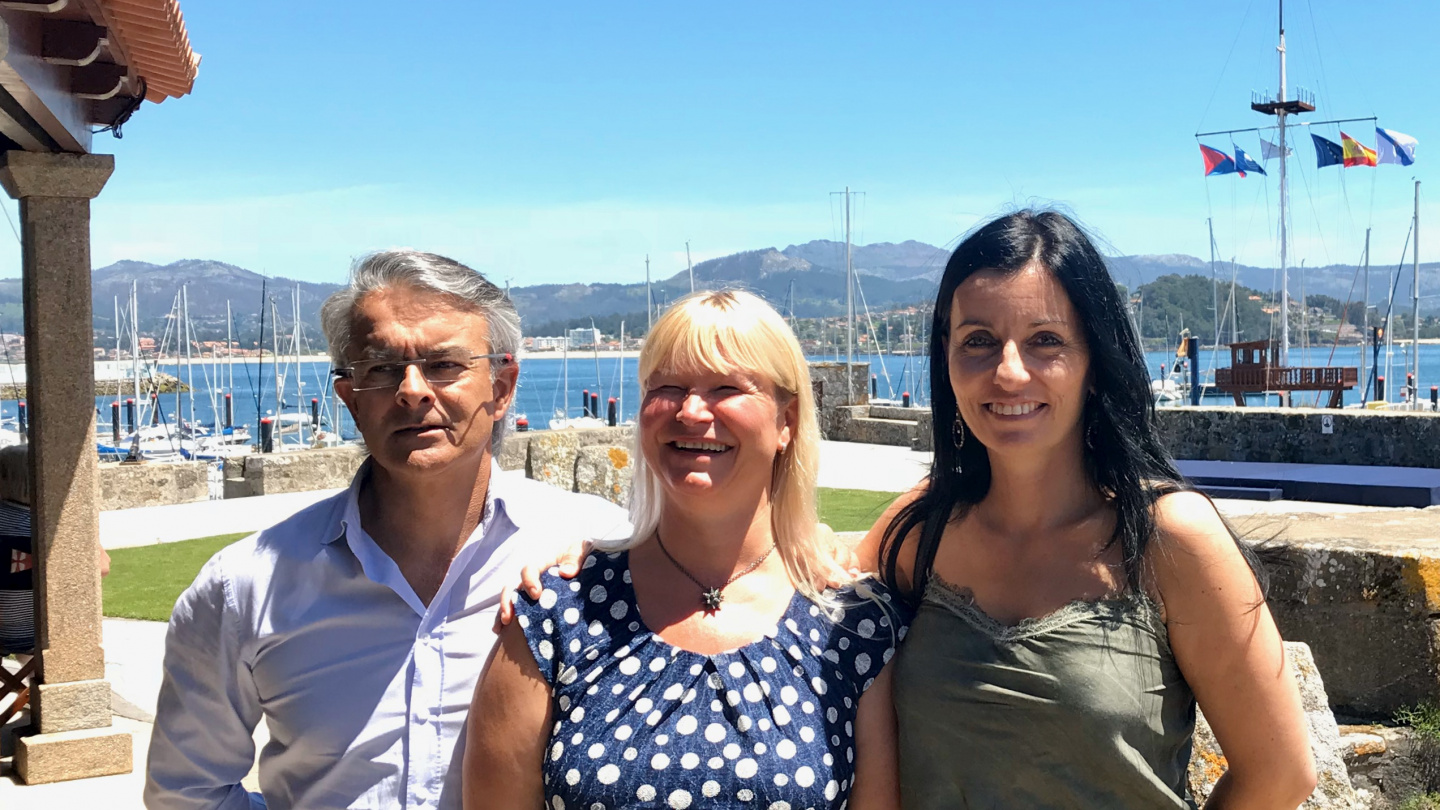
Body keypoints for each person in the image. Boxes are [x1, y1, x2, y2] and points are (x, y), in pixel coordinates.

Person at [857, 210, 1317, 808]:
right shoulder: (918, 531)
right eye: (979, 341)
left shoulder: (1167, 537)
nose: (1009, 371)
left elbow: (1280, 774)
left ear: (1094, 361)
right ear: (945, 359)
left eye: (1045, 340)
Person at [145, 250, 629, 810]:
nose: (413, 390)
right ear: (350, 398)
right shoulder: (245, 585)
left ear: (501, 388)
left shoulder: (597, 547)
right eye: (381, 368)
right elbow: (187, 792)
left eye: (444, 364)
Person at [464, 290, 907, 810]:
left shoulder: (853, 625)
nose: (691, 411)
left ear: (786, 421)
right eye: (668, 387)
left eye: (725, 388)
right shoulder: (554, 615)